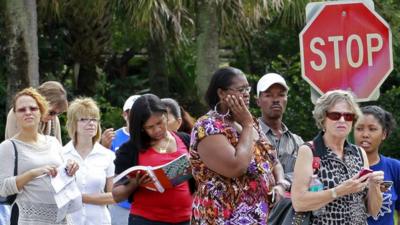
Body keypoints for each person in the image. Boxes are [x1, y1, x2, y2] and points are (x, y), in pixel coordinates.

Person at [190, 67, 287, 224]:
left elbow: (273, 159)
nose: (247, 93)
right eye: (241, 89)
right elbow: (237, 167)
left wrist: (281, 184)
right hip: (223, 217)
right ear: (221, 93)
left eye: (248, 88)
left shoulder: (250, 121)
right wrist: (247, 126)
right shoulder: (208, 126)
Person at [291, 90, 383, 225]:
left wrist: (375, 185)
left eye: (348, 116)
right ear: (323, 119)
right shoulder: (309, 151)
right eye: (335, 115)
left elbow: (373, 211)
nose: (342, 120)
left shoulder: (359, 153)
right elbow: (299, 202)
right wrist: (339, 191)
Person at [0, 87, 78, 225]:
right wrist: (33, 173)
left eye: (33, 108)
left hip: (61, 219)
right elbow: (3, 188)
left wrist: (70, 169)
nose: (28, 112)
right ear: (15, 115)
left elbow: (64, 178)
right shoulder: (8, 146)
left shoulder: (53, 142)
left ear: (41, 111)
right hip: (28, 219)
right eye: (22, 110)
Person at [112, 94, 193, 225]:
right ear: (141, 128)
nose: (157, 130)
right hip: (147, 219)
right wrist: (135, 183)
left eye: (160, 123)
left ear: (166, 116)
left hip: (186, 218)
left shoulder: (185, 140)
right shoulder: (130, 149)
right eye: (150, 127)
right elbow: (116, 195)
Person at [62, 97, 115, 225]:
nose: (91, 123)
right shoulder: (61, 154)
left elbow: (113, 196)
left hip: (100, 221)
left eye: (94, 119)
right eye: (84, 119)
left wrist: (80, 198)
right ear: (73, 124)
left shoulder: (107, 155)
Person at [354, 105, 400, 225]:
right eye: (359, 128)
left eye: (372, 129)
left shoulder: (395, 168)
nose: (365, 134)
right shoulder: (342, 166)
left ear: (384, 134)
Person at [256, 73, 304, 185]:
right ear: (258, 101)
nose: (276, 100)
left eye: (281, 95)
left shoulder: (298, 142)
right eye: (269, 95)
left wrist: (283, 181)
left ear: (286, 99)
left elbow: (308, 174)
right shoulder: (249, 135)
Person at [108, 95, 141, 225]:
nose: (133, 117)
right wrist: (104, 146)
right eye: (130, 112)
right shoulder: (113, 137)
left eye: (137, 113)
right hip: (119, 203)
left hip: (143, 202)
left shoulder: (152, 137)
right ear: (124, 114)